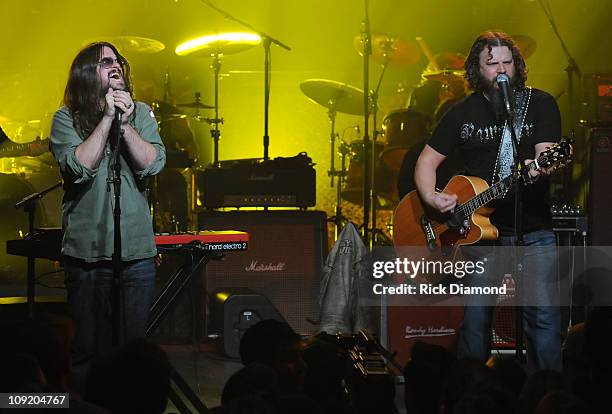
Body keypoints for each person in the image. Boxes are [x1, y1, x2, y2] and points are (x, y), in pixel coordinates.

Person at [413, 31, 562, 371]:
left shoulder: (540, 104)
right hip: (478, 234)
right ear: (476, 70)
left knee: (543, 318)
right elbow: (425, 162)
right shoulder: (461, 112)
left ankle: (546, 395)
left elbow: (546, 156)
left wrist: (540, 168)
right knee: (477, 319)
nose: (500, 69)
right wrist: (433, 198)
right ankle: (471, 391)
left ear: (517, 66)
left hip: (533, 228)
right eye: (491, 63)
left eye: (507, 62)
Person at [49, 42, 166, 387]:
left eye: (117, 61)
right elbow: (78, 167)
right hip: (87, 252)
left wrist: (126, 124)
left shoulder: (141, 112)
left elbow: (152, 164)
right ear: (87, 72)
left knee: (132, 350)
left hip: (136, 253)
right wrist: (107, 118)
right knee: (85, 349)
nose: (115, 66)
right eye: (105, 62)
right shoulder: (65, 118)